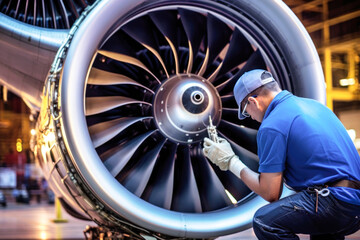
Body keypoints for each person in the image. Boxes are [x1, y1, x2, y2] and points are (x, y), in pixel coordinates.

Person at [203, 69, 360, 240]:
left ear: (252, 101)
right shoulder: (316, 107)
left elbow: (270, 193)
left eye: (247, 112)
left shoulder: (272, 124)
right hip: (351, 203)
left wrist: (231, 161)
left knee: (265, 222)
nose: (252, 118)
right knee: (318, 222)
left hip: (335, 203)